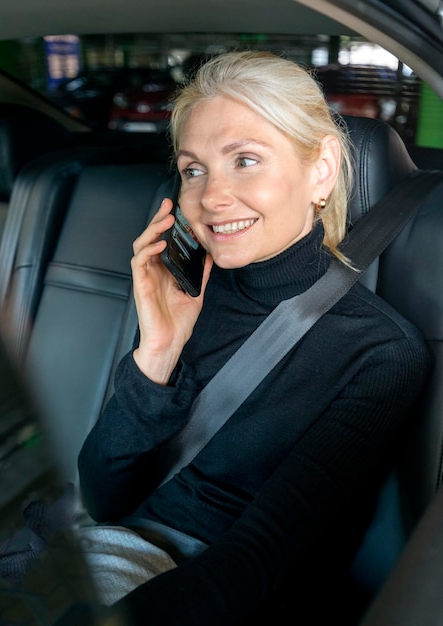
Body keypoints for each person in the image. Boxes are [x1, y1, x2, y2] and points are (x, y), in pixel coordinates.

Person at [77, 51, 431, 624]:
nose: (212, 197)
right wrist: (156, 355)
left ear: (320, 171)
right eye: (194, 169)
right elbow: (105, 499)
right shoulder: (184, 295)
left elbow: (263, 559)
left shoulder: (381, 353)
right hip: (100, 551)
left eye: (245, 160)